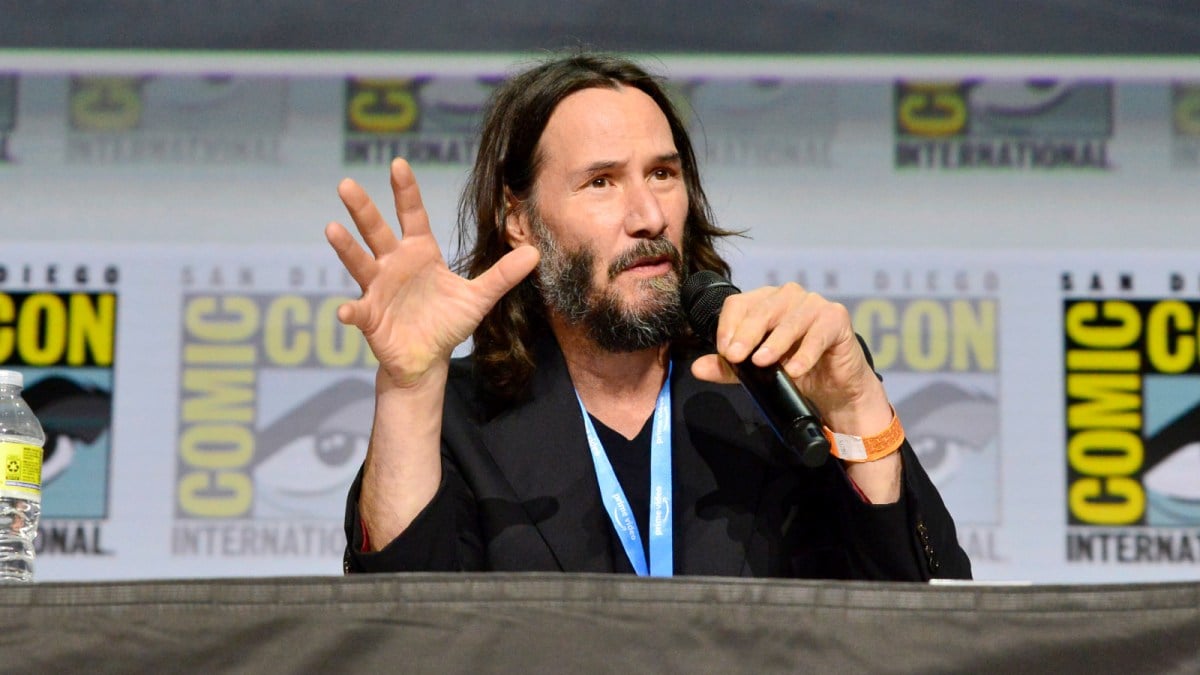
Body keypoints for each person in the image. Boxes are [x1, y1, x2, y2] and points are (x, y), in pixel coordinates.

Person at [326, 53, 971, 580]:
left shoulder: (777, 392)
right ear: (520, 221)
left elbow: (927, 627)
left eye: (662, 174)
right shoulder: (461, 423)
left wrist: (858, 411)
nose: (649, 215)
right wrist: (410, 391)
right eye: (602, 182)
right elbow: (401, 633)